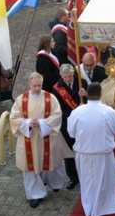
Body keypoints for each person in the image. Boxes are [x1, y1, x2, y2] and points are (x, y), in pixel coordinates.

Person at [67, 82, 115, 216]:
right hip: (102, 154)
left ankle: (89, 208)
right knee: (102, 184)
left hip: (84, 154)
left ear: (87, 94)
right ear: (101, 94)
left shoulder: (77, 111)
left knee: (87, 183)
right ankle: (99, 215)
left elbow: (71, 133)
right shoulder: (107, 111)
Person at [10, 72, 70, 208]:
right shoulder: (21, 99)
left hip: (46, 137)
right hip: (28, 138)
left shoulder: (50, 98)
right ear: (29, 84)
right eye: (35, 86)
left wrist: (42, 123)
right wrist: (28, 123)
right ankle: (34, 195)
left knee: (51, 162)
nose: (37, 88)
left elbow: (57, 115)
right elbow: (14, 118)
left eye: (39, 85)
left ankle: (54, 183)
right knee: (30, 168)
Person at [52, 64, 87, 189]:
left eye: (70, 76)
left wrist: (86, 95)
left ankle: (86, 174)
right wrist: (73, 116)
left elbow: (89, 102)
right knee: (68, 152)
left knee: (84, 149)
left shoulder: (82, 83)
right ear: (61, 75)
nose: (68, 79)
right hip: (67, 124)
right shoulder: (56, 89)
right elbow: (59, 109)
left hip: (82, 124)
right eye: (66, 77)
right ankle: (73, 177)